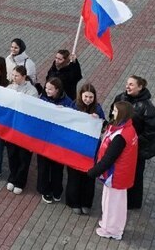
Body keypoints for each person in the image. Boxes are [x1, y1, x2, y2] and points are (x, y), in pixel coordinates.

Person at [87, 101, 139, 241]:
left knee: (112, 204)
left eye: (115, 111)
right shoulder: (127, 128)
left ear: (122, 113)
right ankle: (109, 225)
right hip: (119, 174)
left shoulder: (121, 136)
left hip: (115, 175)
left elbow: (109, 159)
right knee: (114, 202)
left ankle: (111, 230)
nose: (112, 113)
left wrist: (93, 172)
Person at [111, 75, 155, 210]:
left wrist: (135, 141)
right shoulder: (121, 98)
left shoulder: (147, 107)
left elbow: (153, 130)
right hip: (122, 144)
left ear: (140, 87)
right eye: (127, 83)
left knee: (136, 175)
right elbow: (113, 115)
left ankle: (132, 203)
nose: (127, 86)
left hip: (138, 148)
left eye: (131, 84)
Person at [66, 83, 106, 215]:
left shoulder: (98, 109)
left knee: (88, 177)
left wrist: (99, 120)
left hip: (91, 150)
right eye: (86, 96)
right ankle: (74, 202)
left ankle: (86, 202)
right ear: (80, 95)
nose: (88, 99)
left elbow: (104, 126)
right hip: (76, 149)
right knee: (74, 177)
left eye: (90, 97)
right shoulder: (74, 105)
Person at [37, 77, 75, 203]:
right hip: (44, 139)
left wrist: (64, 112)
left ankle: (57, 190)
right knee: (43, 167)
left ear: (57, 90)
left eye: (50, 89)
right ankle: (45, 190)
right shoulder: (42, 99)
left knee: (57, 168)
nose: (47, 91)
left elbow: (72, 118)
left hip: (59, 141)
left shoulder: (68, 102)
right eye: (46, 88)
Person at [5, 65, 39, 194]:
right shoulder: (9, 87)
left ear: (24, 77)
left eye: (16, 76)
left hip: (25, 130)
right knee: (12, 155)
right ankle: (12, 177)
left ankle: (20, 181)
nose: (13, 78)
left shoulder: (32, 91)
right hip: (12, 128)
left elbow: (30, 108)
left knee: (23, 157)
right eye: (13, 75)